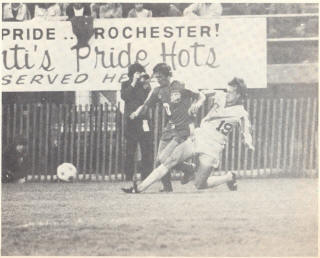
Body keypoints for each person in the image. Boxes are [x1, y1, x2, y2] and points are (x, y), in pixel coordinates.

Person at [122, 77, 254, 193]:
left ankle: (229, 177)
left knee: (199, 184)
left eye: (231, 92)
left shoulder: (241, 113)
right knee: (170, 160)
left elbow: (246, 131)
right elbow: (202, 94)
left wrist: (248, 142)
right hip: (200, 137)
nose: (228, 94)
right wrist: (198, 103)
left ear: (239, 95)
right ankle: (139, 188)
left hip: (213, 147)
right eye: (228, 90)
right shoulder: (220, 95)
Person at [129, 63, 205, 192]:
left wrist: (197, 104)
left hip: (183, 127)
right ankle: (176, 179)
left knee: (164, 159)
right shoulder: (157, 90)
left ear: (168, 75)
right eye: (156, 77)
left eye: (160, 77)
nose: (158, 80)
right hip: (169, 127)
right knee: (160, 160)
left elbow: (202, 96)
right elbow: (146, 105)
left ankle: (189, 170)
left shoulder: (181, 85)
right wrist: (136, 112)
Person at [121, 63, 153, 181]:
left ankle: (146, 175)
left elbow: (148, 98)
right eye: (137, 72)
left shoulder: (144, 84)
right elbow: (125, 96)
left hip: (143, 119)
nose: (139, 75)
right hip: (131, 121)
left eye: (140, 72)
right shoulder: (125, 84)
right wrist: (133, 82)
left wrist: (145, 83)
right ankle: (128, 176)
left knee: (146, 148)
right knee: (130, 149)